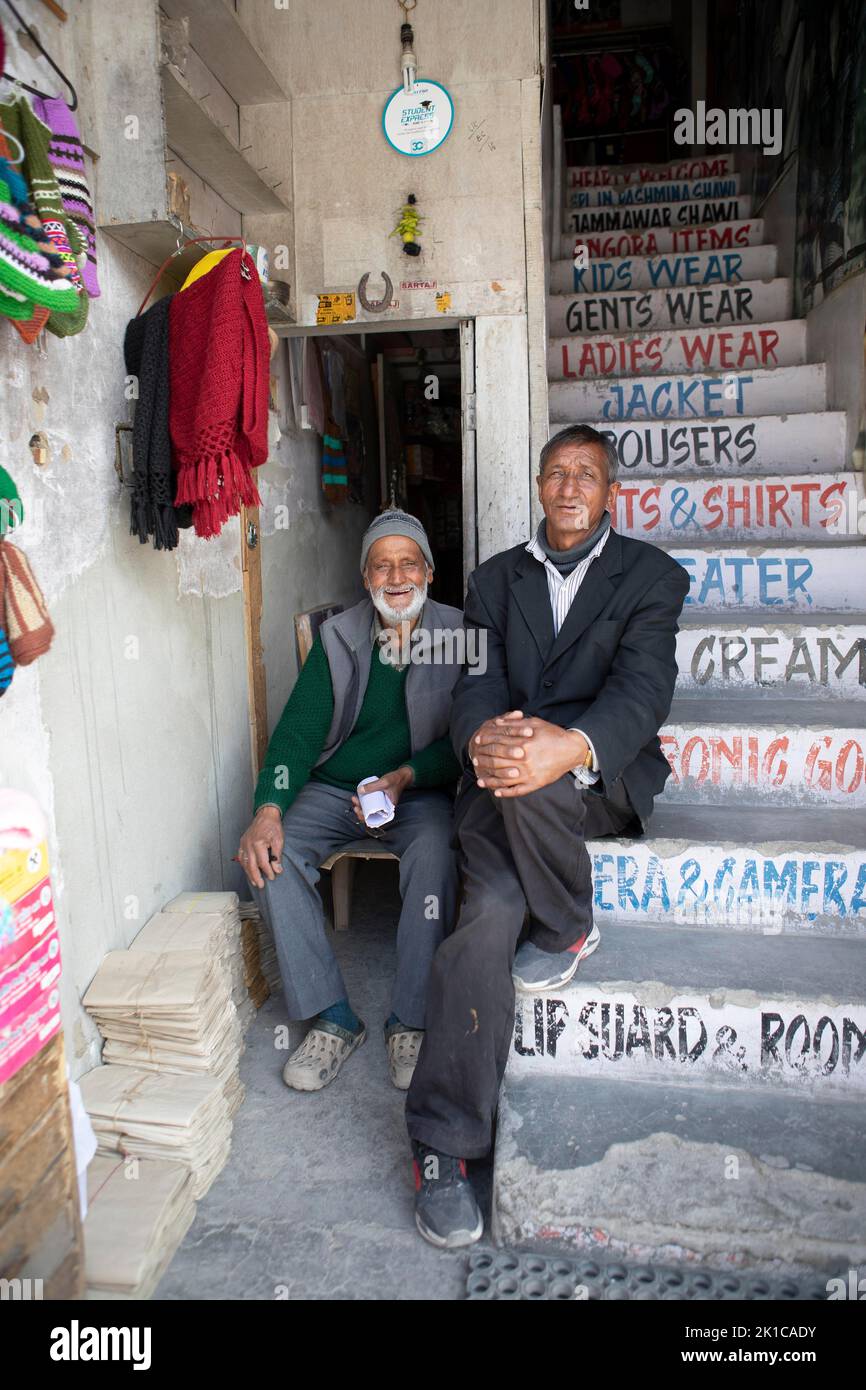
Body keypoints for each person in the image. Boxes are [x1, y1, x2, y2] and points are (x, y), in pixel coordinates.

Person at [405, 423, 690, 1248]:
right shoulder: (493, 579)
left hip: (595, 780)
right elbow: (471, 684)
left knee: (544, 768)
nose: (569, 487)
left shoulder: (653, 578)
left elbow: (645, 690)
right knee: (487, 914)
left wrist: (571, 746)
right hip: (499, 783)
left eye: (586, 475)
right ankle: (444, 1145)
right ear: (538, 485)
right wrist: (485, 742)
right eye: (556, 473)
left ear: (610, 494)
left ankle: (565, 920)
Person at [238, 510, 464, 1093]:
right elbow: (297, 731)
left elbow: (466, 741)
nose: (396, 576)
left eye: (408, 562)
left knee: (437, 852)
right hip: (336, 789)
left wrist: (407, 777)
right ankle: (333, 1016)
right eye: (382, 565)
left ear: (430, 573)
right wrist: (268, 809)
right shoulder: (338, 638)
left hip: (415, 791)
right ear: (365, 579)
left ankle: (410, 1018)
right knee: (271, 856)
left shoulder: (460, 635)